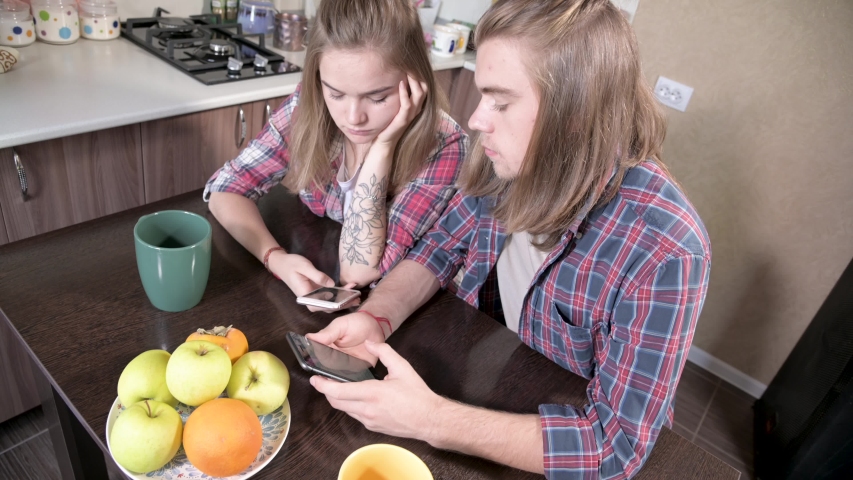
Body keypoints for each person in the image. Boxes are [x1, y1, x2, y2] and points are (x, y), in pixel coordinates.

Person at [307, 0, 712, 478]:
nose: (477, 119)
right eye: (482, 96)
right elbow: (441, 247)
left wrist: (431, 420)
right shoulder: (504, 162)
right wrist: (377, 316)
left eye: (500, 102)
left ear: (576, 111)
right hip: (493, 374)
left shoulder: (666, 249)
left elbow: (613, 446)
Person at [204, 0, 467, 305]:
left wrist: (382, 148)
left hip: (407, 312)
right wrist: (275, 259)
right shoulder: (311, 105)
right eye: (336, 93)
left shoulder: (444, 145)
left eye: (377, 97)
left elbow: (358, 271)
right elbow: (226, 187)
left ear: (414, 84)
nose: (353, 117)